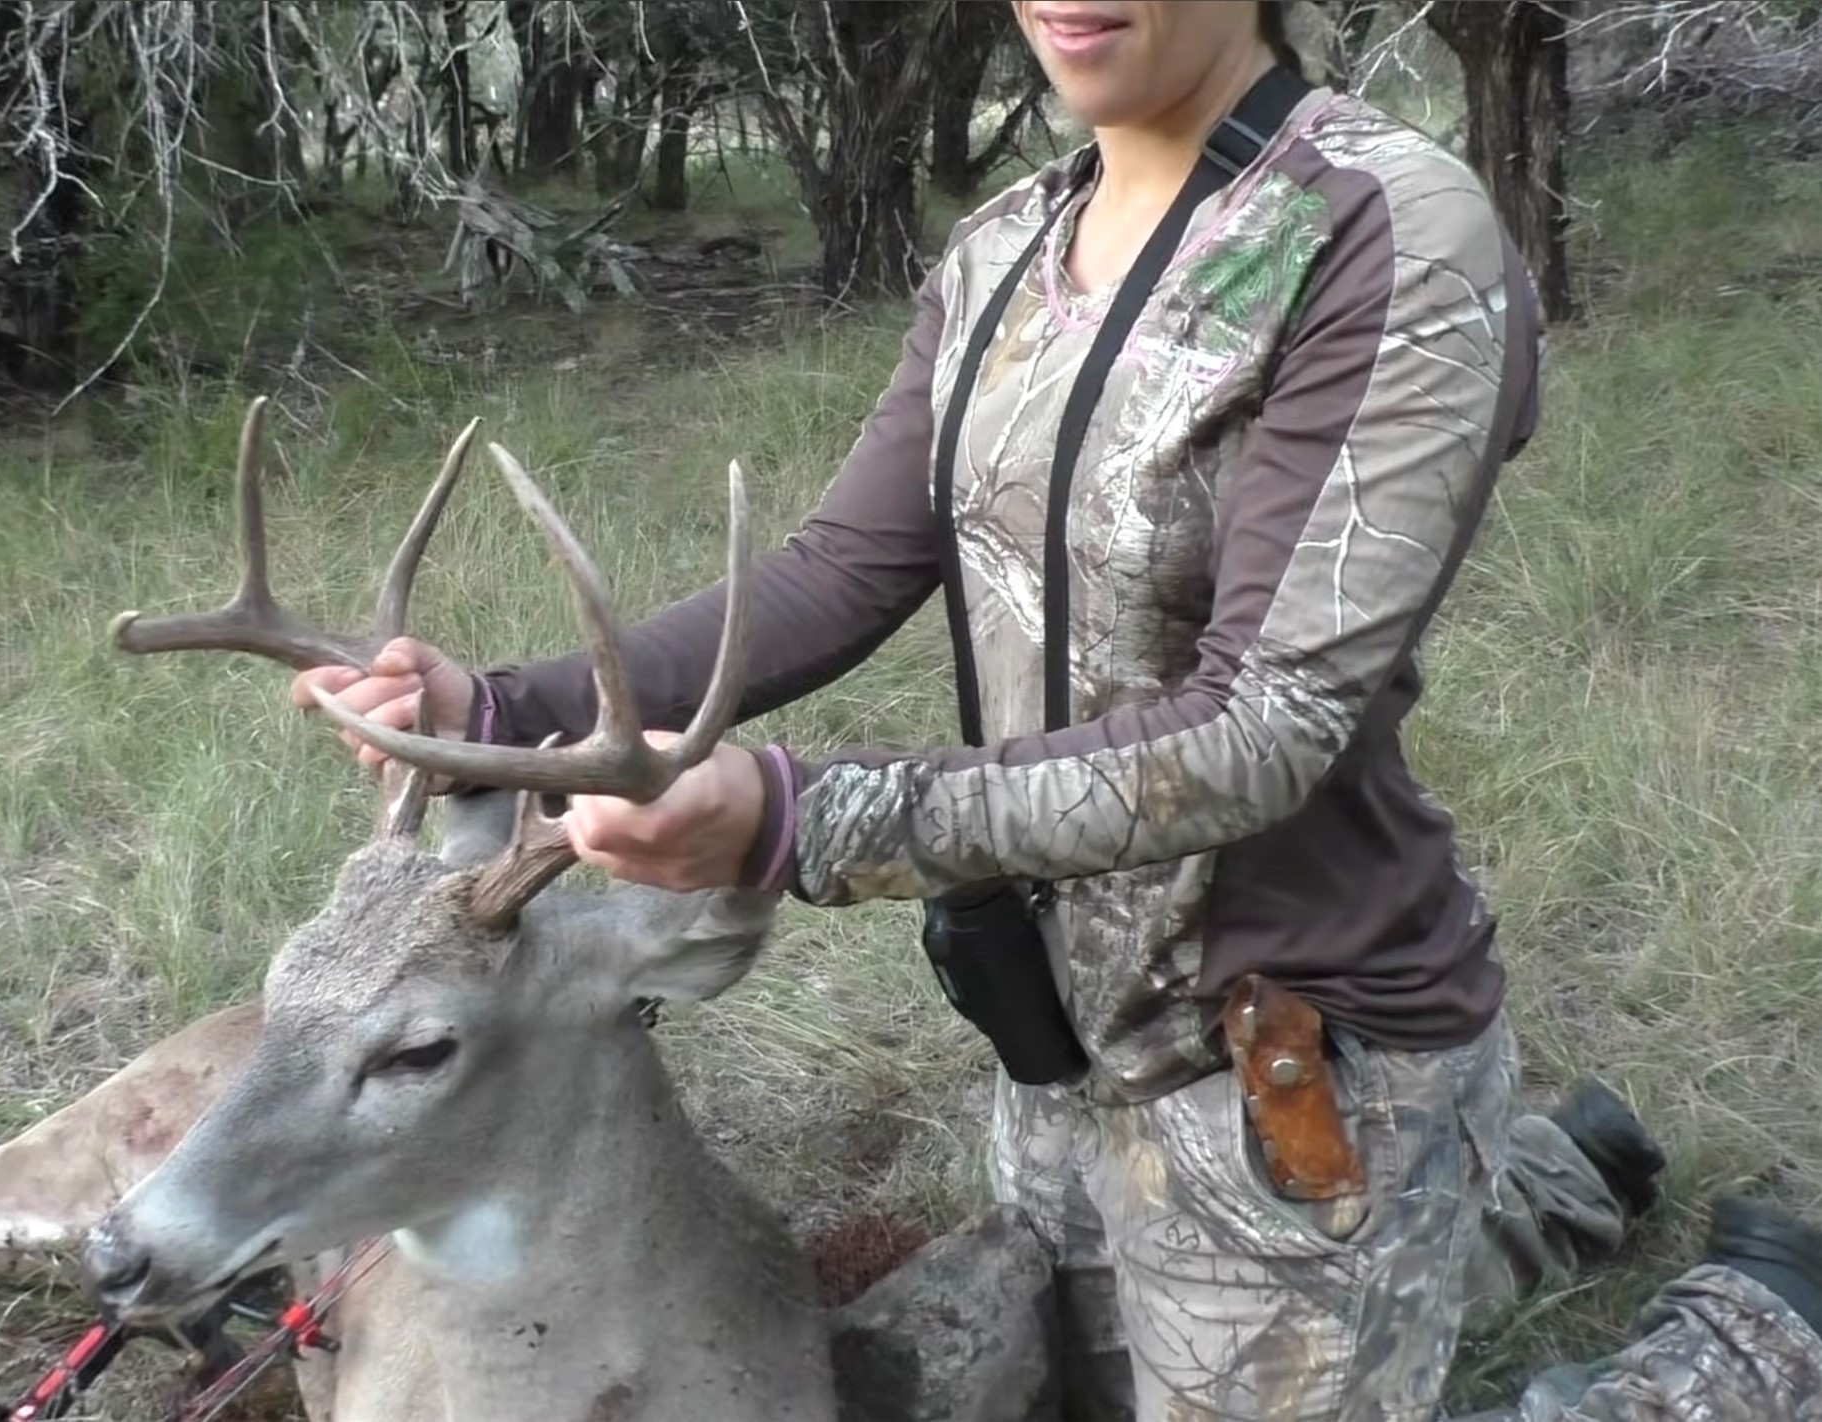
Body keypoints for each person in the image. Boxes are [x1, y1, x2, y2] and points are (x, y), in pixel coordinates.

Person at [292, 3, 1822, 1417]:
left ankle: (1753, 1333)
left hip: (1285, 1048)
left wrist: (799, 818)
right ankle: (1554, 1185)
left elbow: (1266, 725)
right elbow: (841, 569)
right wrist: (500, 698)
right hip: (1055, 1033)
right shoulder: (1010, 244)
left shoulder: (1384, 233)